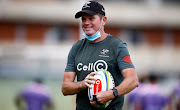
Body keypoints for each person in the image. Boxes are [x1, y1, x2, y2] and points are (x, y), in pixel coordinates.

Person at [61, 1, 139, 110]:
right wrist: (82, 84)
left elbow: (133, 80)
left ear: (103, 21)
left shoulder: (117, 46)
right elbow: (65, 88)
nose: (86, 22)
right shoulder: (76, 47)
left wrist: (111, 94)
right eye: (83, 19)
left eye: (91, 18)